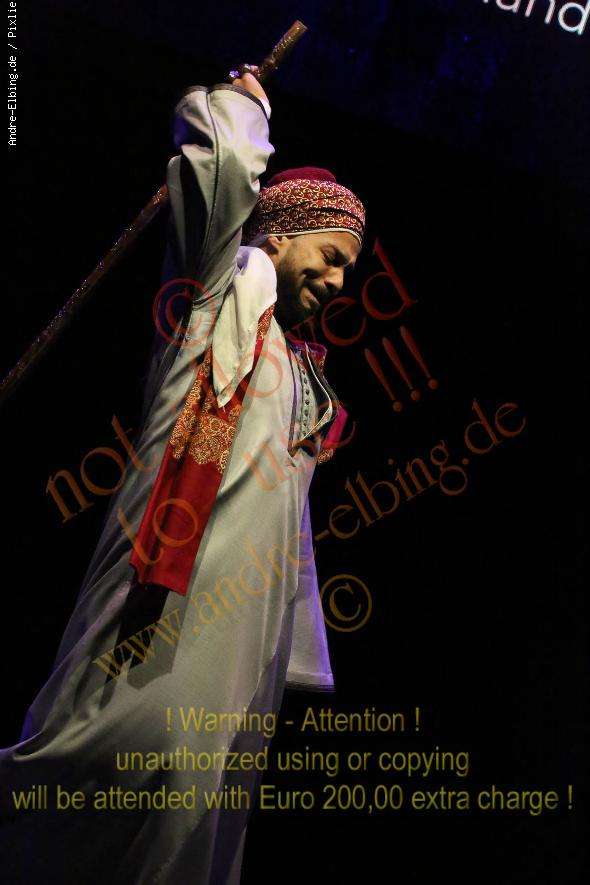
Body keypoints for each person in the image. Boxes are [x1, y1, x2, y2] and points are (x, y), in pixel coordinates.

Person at [0, 66, 365, 884]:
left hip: (245, 635)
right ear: (281, 235)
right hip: (160, 607)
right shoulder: (213, 309)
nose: (342, 281)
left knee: (195, 820)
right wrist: (246, 106)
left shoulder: (304, 376)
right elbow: (221, 172)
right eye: (333, 256)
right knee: (101, 767)